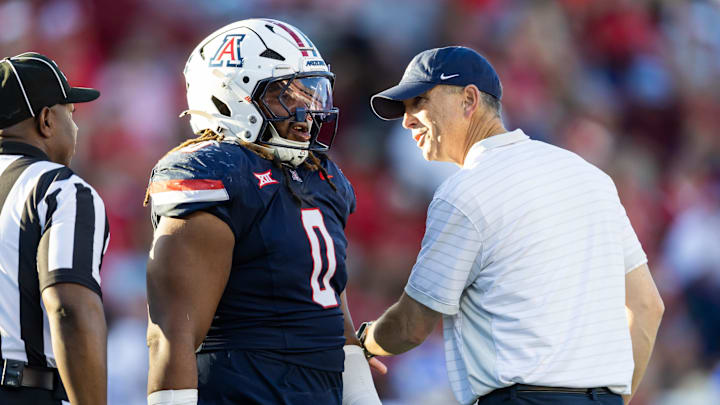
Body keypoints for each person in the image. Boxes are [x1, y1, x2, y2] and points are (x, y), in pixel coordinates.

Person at [357, 46, 665, 405]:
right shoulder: (590, 177)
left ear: (468, 100)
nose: (408, 120)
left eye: (420, 101)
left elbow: (411, 326)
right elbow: (647, 306)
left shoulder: (464, 191)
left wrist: (365, 342)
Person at [144, 19, 383, 405]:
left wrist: (362, 396)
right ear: (231, 97)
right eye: (285, 95)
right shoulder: (216, 173)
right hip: (245, 390)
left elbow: (330, 310)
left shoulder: (319, 177)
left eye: (311, 93)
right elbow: (173, 333)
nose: (306, 111)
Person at [0, 53, 109, 405]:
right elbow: (70, 309)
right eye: (71, 114)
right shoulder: (58, 188)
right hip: (19, 390)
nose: (75, 128)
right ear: (46, 119)